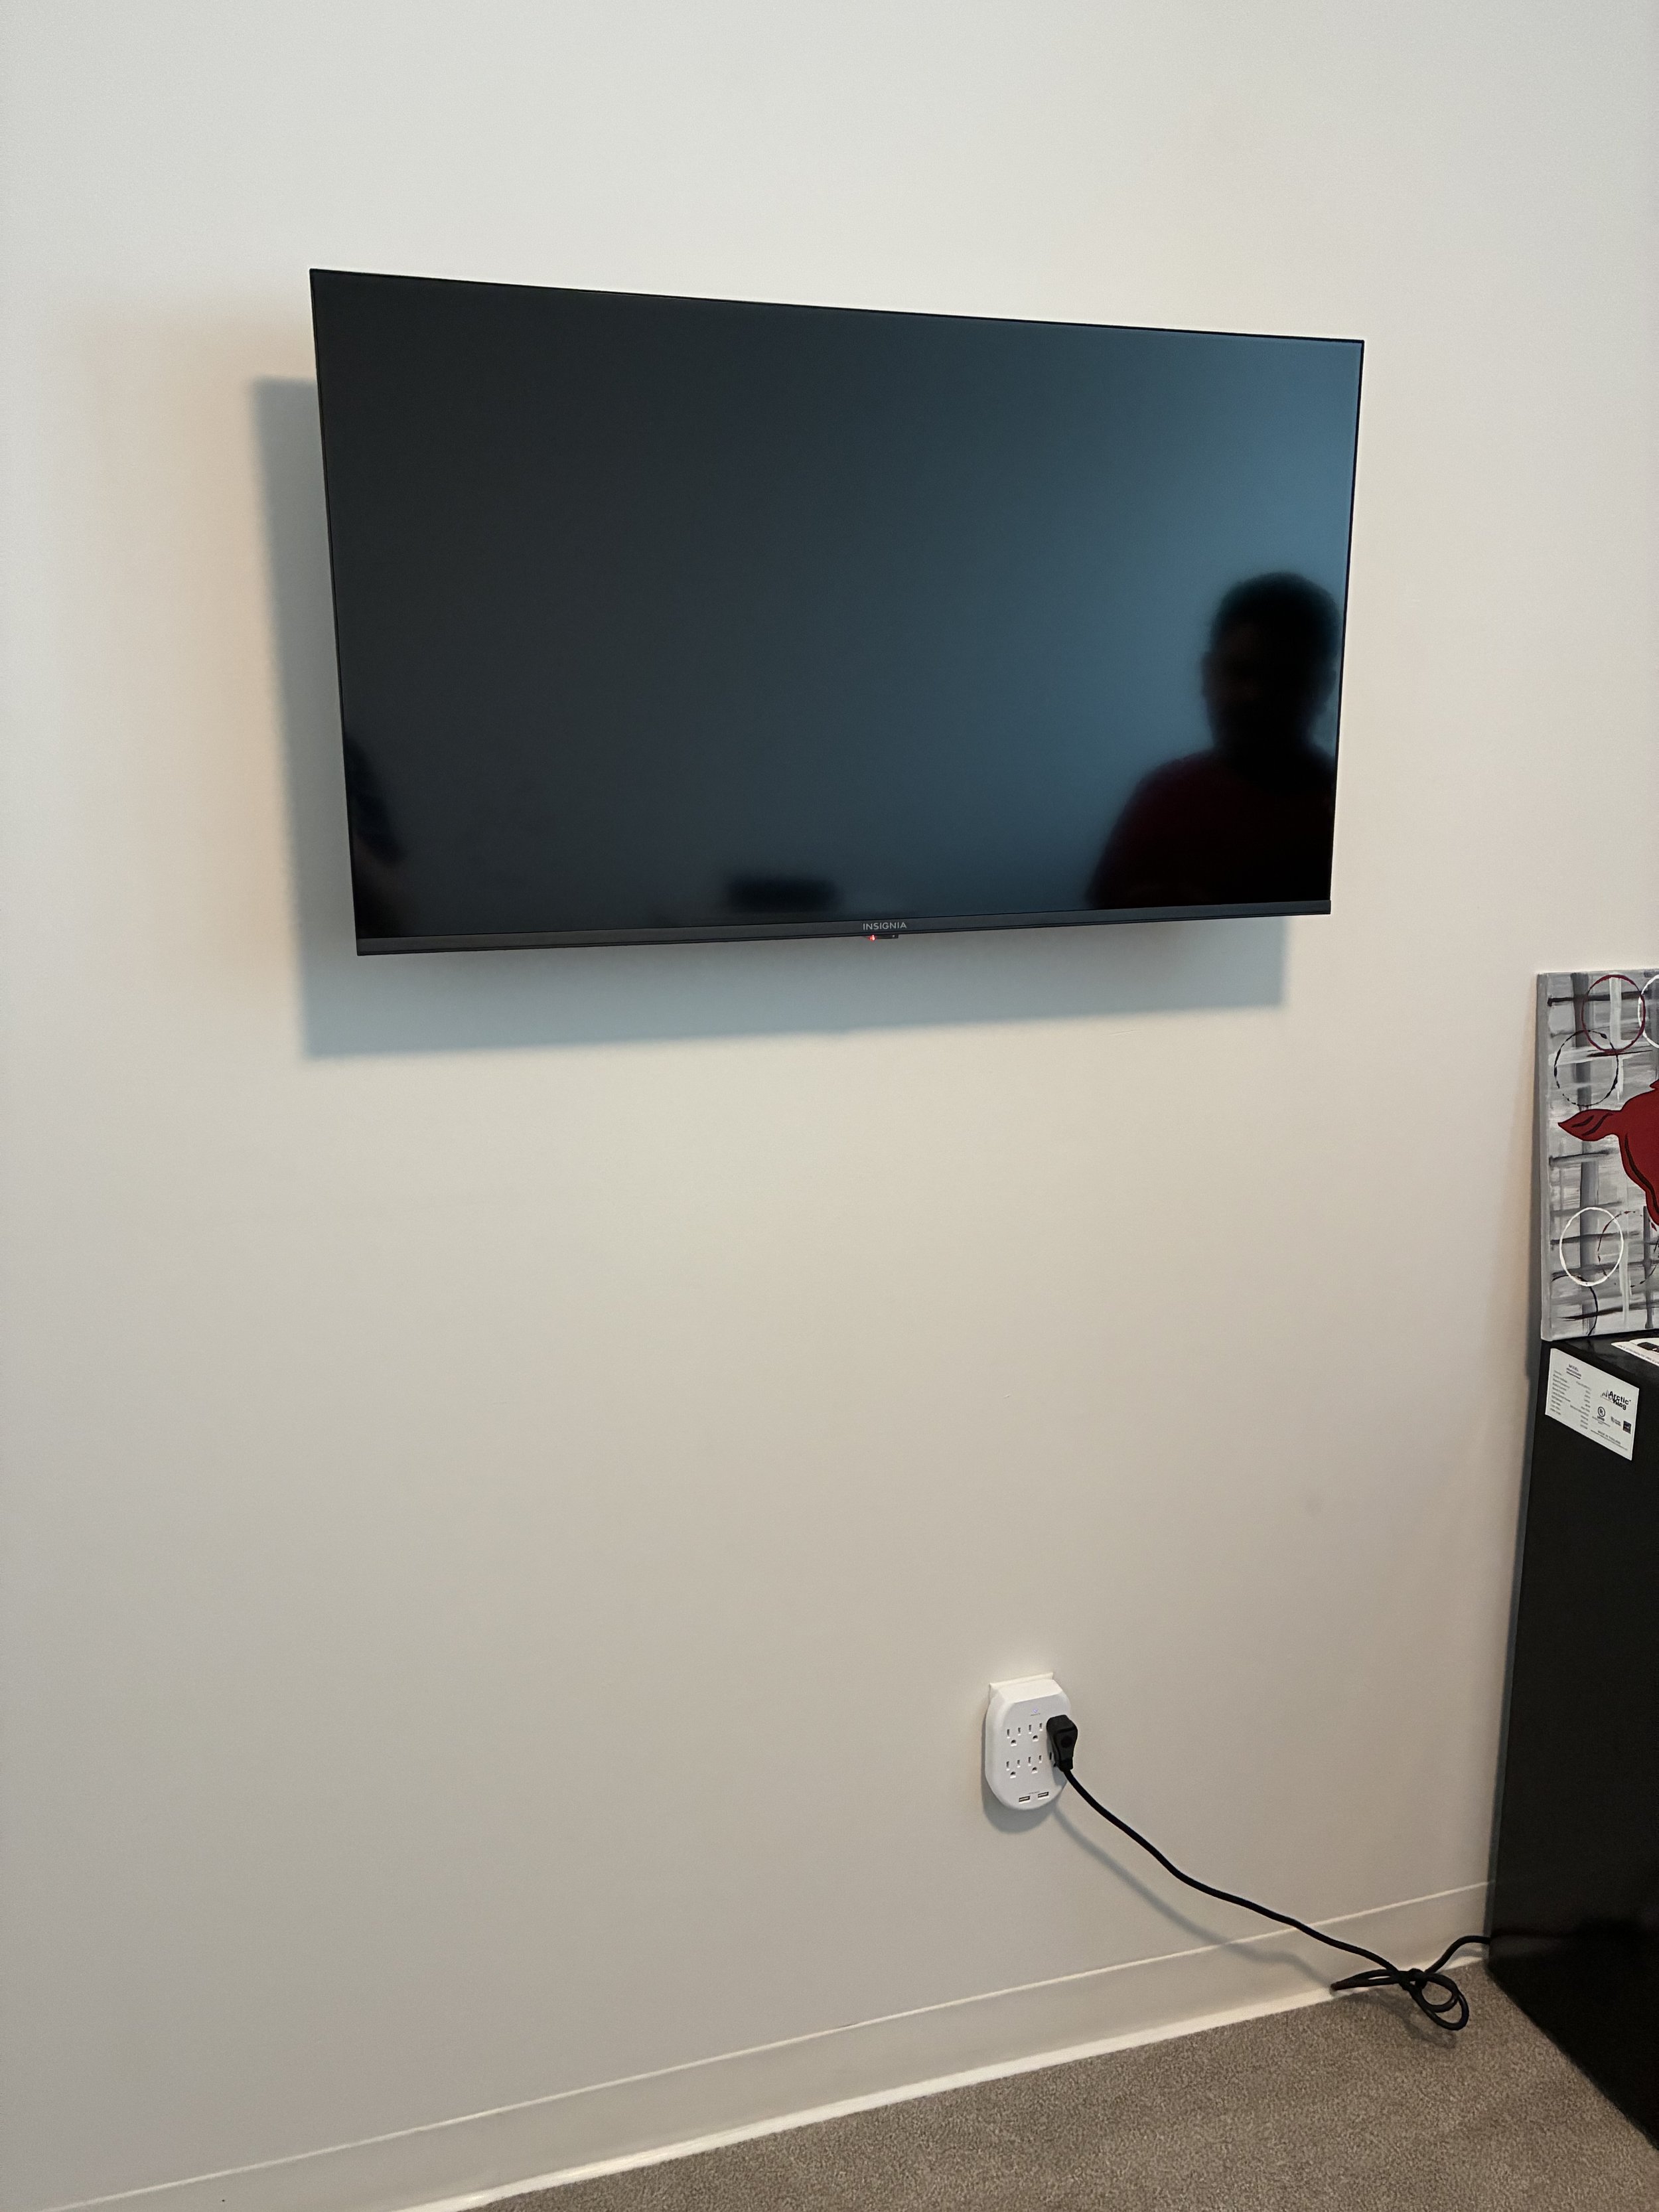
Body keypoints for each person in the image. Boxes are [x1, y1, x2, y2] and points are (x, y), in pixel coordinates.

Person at [1088, 573, 1339, 911]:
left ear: (1321, 688)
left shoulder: (1342, 816)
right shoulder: (1164, 800)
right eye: (1241, 672)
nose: (1254, 696)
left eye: (1283, 679)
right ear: (1208, 674)